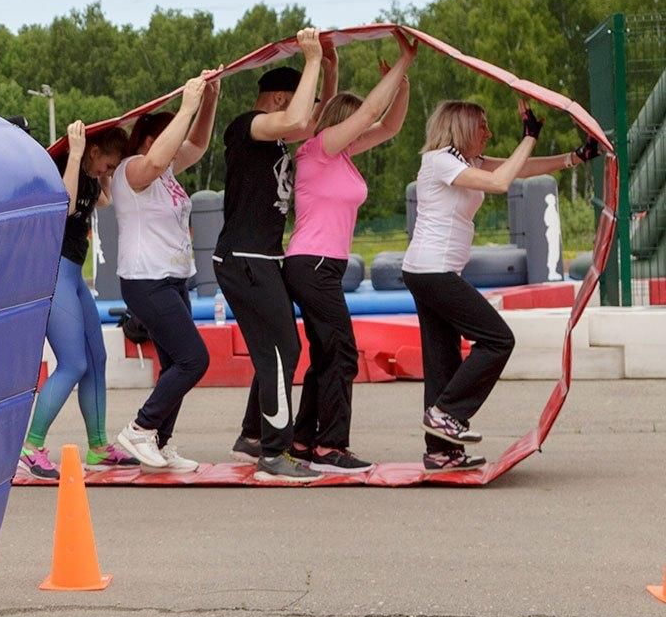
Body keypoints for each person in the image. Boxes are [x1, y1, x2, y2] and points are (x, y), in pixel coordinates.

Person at [403, 98, 599, 470]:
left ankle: (441, 451)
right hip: (432, 270)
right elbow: (500, 181)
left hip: (433, 270)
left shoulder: (465, 162)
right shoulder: (439, 160)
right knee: (497, 339)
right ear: (461, 129)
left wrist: (574, 157)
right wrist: (529, 136)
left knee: (443, 359)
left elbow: (520, 169)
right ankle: (446, 413)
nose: (489, 134)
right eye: (483, 127)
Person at [281, 35, 416, 471]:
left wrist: (403, 81)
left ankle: (304, 440)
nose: (363, 126)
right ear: (343, 121)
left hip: (321, 266)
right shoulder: (320, 150)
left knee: (326, 355)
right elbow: (373, 113)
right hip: (312, 263)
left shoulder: (341, 158)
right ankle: (331, 446)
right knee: (342, 352)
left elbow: (390, 124)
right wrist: (404, 58)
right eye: (355, 120)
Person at [211, 28, 327, 483]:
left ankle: (255, 435)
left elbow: (311, 120)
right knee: (280, 352)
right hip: (243, 257)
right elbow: (299, 122)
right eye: (297, 97)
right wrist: (312, 60)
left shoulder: (277, 135)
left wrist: (328, 67)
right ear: (279, 98)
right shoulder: (248, 125)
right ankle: (275, 455)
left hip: (262, 257)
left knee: (279, 349)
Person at [111, 73, 218, 472]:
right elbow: (156, 159)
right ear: (148, 139)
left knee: (175, 364)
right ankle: (141, 427)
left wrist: (208, 101)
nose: (174, 152)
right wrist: (187, 106)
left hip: (173, 279)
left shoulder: (167, 173)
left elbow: (199, 144)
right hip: (146, 279)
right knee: (194, 360)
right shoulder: (131, 171)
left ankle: (158, 442)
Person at [16, 121, 132, 481]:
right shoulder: (63, 164)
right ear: (93, 152)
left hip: (72, 275)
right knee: (73, 362)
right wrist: (77, 153)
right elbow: (63, 208)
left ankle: (98, 446)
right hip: (52, 271)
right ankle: (31, 447)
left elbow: (104, 199)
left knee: (97, 358)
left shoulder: (91, 175)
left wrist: (105, 174)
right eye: (108, 164)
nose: (107, 172)